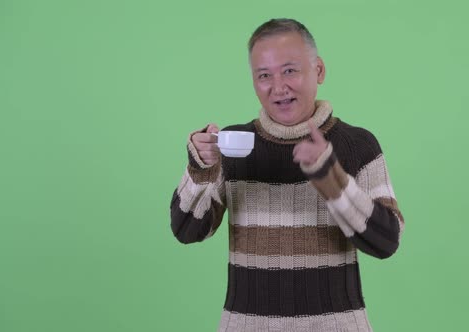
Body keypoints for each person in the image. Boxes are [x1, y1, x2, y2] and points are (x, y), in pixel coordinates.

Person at [169, 18, 405, 332]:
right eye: (264, 75)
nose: (278, 87)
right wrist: (200, 168)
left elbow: (387, 241)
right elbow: (187, 230)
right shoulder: (232, 146)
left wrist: (331, 179)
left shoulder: (357, 146)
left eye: (290, 70)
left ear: (318, 71)